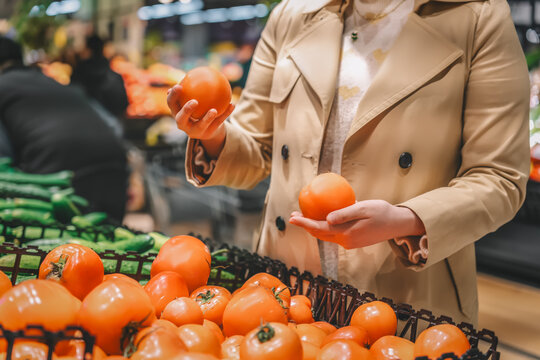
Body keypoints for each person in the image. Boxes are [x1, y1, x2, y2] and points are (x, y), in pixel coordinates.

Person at [168, 0, 530, 325]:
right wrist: (211, 134)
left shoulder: (477, 17)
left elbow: (500, 177)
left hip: (404, 293)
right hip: (285, 286)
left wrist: (407, 220)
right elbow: (258, 148)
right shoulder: (292, 15)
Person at [0, 36, 128, 221]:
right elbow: (112, 124)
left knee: (58, 249)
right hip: (115, 171)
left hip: (57, 183)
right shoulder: (55, 82)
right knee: (106, 243)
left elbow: (4, 166)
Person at [71, 34, 128, 119]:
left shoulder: (79, 74)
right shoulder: (115, 77)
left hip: (84, 123)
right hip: (110, 125)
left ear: (87, 49)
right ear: (103, 49)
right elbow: (123, 104)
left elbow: (72, 100)